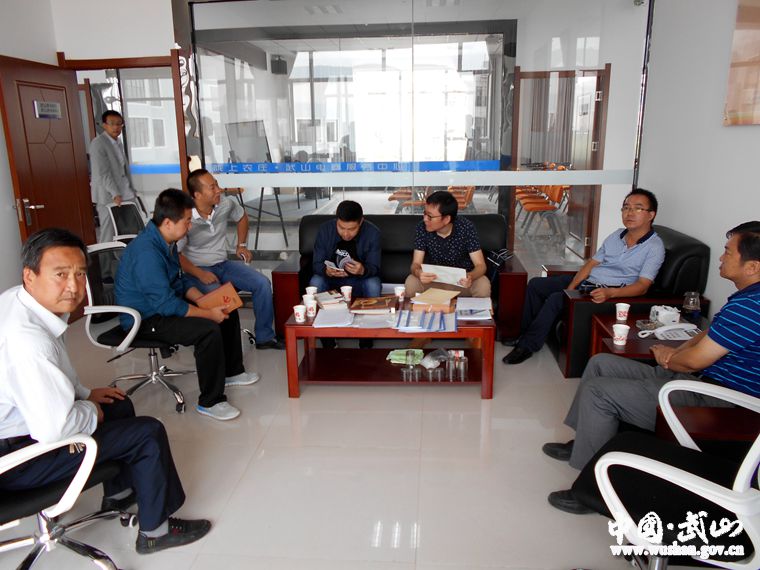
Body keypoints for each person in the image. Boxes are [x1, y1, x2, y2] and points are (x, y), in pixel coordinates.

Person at [0, 228, 210, 554]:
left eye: (79, 273)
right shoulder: (29, 343)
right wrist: (90, 411)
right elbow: (54, 428)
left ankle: (119, 495)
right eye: (60, 274)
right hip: (16, 460)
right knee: (147, 432)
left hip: (23, 424)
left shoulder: (20, 301)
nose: (74, 286)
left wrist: (85, 394)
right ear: (30, 275)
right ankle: (156, 531)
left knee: (118, 403)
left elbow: (55, 373)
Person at [544, 221, 760, 514]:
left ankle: (591, 488)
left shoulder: (751, 307)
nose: (722, 258)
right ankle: (583, 441)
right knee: (600, 363)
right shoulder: (746, 297)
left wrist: (669, 359)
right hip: (700, 379)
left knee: (599, 392)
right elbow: (706, 336)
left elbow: (694, 361)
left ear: (752, 267)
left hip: (717, 399)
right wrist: (675, 352)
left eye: (728, 252)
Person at [116, 189, 260, 422]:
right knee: (207, 330)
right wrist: (207, 314)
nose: (190, 226)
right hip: (144, 318)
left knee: (226, 306)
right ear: (168, 222)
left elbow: (179, 283)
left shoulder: (166, 241)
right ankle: (210, 402)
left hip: (163, 307)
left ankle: (232, 372)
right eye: (186, 221)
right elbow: (165, 304)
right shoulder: (146, 253)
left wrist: (206, 302)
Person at [504, 188, 665, 365]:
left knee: (556, 299)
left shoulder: (654, 247)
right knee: (536, 284)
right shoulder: (617, 235)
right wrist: (572, 287)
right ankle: (524, 334)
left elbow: (642, 286)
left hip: (607, 293)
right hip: (589, 282)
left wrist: (610, 293)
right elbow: (591, 264)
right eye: (626, 208)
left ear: (651, 215)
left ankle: (527, 346)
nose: (630, 213)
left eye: (638, 208)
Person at [179, 169, 283, 350]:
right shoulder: (185, 217)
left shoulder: (225, 203)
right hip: (196, 270)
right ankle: (224, 349)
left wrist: (241, 245)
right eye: (212, 187)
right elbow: (175, 254)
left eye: (217, 185)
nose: (219, 190)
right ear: (197, 195)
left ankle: (265, 337)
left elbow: (241, 217)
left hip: (223, 264)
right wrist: (200, 273)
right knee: (220, 299)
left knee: (262, 284)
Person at [405, 190, 490, 298]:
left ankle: (472, 310)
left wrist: (470, 277)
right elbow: (416, 264)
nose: (425, 219)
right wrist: (419, 273)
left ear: (446, 219)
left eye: (430, 216)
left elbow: (481, 266)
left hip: (461, 283)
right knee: (411, 282)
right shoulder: (422, 228)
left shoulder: (466, 228)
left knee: (483, 285)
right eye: (424, 213)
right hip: (434, 281)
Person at [309, 199, 382, 298]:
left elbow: (375, 267)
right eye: (341, 227)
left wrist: (362, 270)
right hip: (331, 279)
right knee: (316, 281)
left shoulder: (373, 233)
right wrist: (326, 271)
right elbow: (316, 264)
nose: (346, 234)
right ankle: (316, 308)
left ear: (361, 222)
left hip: (359, 280)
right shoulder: (325, 230)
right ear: (337, 220)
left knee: (373, 284)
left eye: (352, 229)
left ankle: (373, 308)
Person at [90, 110, 140, 243]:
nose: (116, 127)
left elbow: (123, 168)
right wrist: (115, 194)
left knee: (132, 227)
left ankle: (129, 253)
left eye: (119, 124)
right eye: (112, 124)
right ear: (104, 125)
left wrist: (131, 189)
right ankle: (106, 256)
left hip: (126, 192)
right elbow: (103, 173)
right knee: (109, 230)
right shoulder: (98, 143)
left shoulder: (118, 142)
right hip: (108, 195)